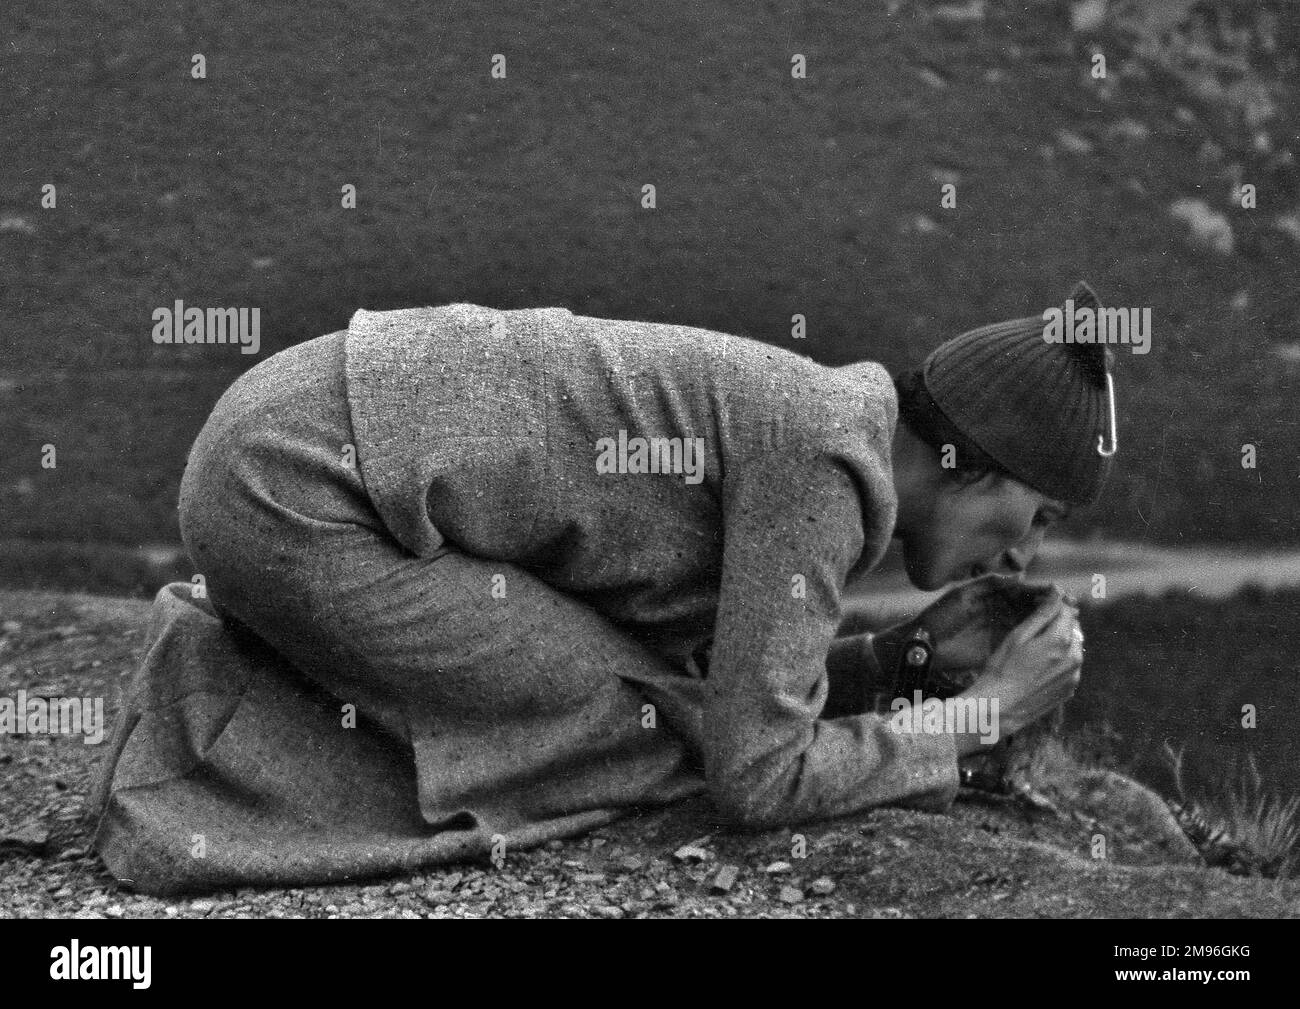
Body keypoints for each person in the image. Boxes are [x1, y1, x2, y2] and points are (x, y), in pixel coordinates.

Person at [91, 282, 1111, 892]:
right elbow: (755, 777)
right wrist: (980, 717)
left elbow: (721, 676)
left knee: (629, 691)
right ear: (973, 466)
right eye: (1042, 517)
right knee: (636, 733)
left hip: (287, 432)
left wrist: (895, 662)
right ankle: (195, 752)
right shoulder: (826, 466)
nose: (1024, 556)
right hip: (299, 492)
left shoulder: (827, 422)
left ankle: (251, 685)